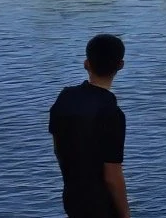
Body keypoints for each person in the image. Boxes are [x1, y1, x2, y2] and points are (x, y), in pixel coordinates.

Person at [49, 35, 130, 218]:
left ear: (86, 63)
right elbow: (112, 175)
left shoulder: (64, 99)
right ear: (120, 65)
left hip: (71, 198)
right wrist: (126, 214)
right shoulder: (112, 113)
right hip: (102, 206)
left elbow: (58, 149)